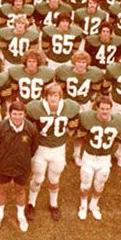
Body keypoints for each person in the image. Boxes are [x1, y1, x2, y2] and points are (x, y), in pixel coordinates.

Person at [24, 83, 81, 222]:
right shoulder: (35, 108)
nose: (53, 99)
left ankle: (53, 204)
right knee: (37, 178)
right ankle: (31, 203)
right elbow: (30, 129)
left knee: (54, 179)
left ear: (60, 97)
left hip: (58, 149)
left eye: (56, 96)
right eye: (50, 96)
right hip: (41, 149)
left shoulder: (70, 108)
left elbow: (71, 130)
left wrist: (62, 141)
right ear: (45, 96)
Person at [75, 96, 121, 220]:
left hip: (105, 158)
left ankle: (93, 205)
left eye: (107, 109)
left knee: (99, 184)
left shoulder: (118, 122)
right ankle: (83, 206)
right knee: (85, 184)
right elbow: (80, 137)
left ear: (111, 109)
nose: (104, 111)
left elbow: (119, 139)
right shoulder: (87, 119)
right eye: (102, 108)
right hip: (89, 156)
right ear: (97, 108)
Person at [0, 100, 39, 232]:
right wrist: (3, 157)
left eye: (20, 114)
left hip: (22, 166)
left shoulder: (31, 129)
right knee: (2, 190)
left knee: (20, 190)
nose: (17, 117)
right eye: (15, 114)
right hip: (4, 165)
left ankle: (20, 215)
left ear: (24, 114)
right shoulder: (1, 127)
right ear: (9, 114)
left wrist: (23, 158)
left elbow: (33, 148)